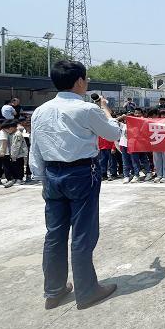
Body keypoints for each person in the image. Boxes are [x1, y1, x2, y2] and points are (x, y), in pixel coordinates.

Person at [30, 60, 122, 310]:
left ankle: (54, 290)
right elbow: (114, 134)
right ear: (80, 81)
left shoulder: (41, 111)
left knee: (55, 234)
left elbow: (35, 148)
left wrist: (41, 177)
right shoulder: (85, 110)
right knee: (83, 233)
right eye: (87, 79)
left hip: (51, 174)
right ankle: (87, 290)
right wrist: (105, 110)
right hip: (81, 173)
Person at [8, 120, 29, 185]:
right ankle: (16, 178)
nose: (9, 129)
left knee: (19, 166)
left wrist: (13, 155)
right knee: (14, 166)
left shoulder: (17, 134)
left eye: (10, 128)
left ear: (14, 127)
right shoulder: (11, 134)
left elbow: (16, 146)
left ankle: (20, 179)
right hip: (14, 154)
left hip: (19, 154)